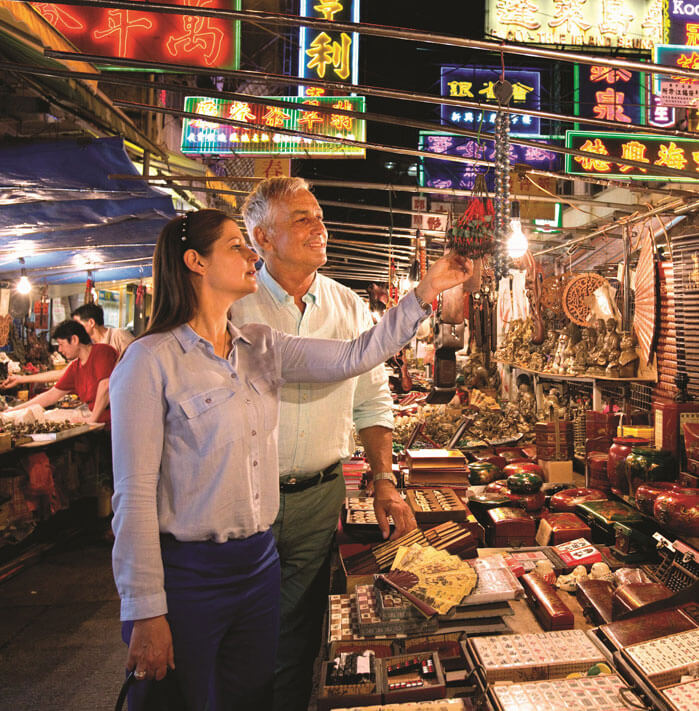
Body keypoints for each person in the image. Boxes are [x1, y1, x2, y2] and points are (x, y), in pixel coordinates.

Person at [110, 209, 471, 711]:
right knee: (175, 700)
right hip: (190, 570)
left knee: (250, 696)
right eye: (237, 246)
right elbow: (132, 495)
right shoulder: (150, 361)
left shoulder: (259, 346)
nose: (251, 255)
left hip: (257, 562)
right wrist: (145, 609)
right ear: (195, 261)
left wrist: (424, 293)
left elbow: (355, 355)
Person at [230, 177, 418, 711]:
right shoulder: (234, 305)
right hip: (243, 496)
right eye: (301, 219)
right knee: (240, 632)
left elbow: (373, 401)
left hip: (318, 497)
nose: (319, 227)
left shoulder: (348, 305)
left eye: (318, 215)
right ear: (262, 239)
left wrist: (384, 480)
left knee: (297, 635)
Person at [2, 320, 116, 424]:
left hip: (114, 424)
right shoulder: (75, 367)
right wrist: (12, 411)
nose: (60, 350)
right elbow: (51, 395)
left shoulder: (102, 352)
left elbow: (105, 385)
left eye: (61, 344)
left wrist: (92, 418)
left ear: (75, 339)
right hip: (97, 424)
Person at [2, 302, 133, 390]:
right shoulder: (87, 348)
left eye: (78, 324)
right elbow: (62, 373)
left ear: (91, 323)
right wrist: (21, 378)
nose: (74, 328)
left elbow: (137, 364)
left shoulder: (118, 335)